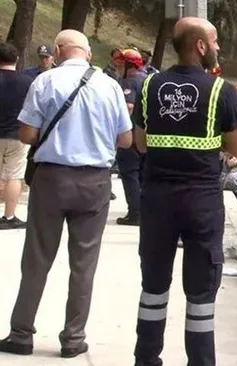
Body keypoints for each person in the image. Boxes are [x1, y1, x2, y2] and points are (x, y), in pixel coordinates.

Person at [0, 29, 133, 357]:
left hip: (52, 179)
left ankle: (21, 333)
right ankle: (73, 338)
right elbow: (126, 139)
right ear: (87, 52)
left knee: (37, 258)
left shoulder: (45, 82)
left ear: (58, 51)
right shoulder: (110, 85)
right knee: (83, 263)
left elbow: (29, 134)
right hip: (95, 182)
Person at [131, 16, 237, 366]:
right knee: (199, 293)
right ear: (200, 46)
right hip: (201, 202)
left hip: (157, 200)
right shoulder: (219, 91)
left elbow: (140, 144)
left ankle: (146, 358)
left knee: (153, 286)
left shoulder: (149, 87)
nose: (217, 48)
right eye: (214, 41)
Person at [0, 42, 33, 230]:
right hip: (16, 134)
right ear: (17, 59)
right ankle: (9, 215)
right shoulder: (27, 82)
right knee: (14, 175)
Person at [113, 48, 147, 225]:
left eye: (120, 63)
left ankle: (135, 213)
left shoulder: (129, 82)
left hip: (131, 135)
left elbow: (129, 106)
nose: (117, 66)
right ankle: (144, 210)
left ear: (128, 65)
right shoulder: (146, 79)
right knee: (141, 174)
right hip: (144, 136)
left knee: (129, 174)